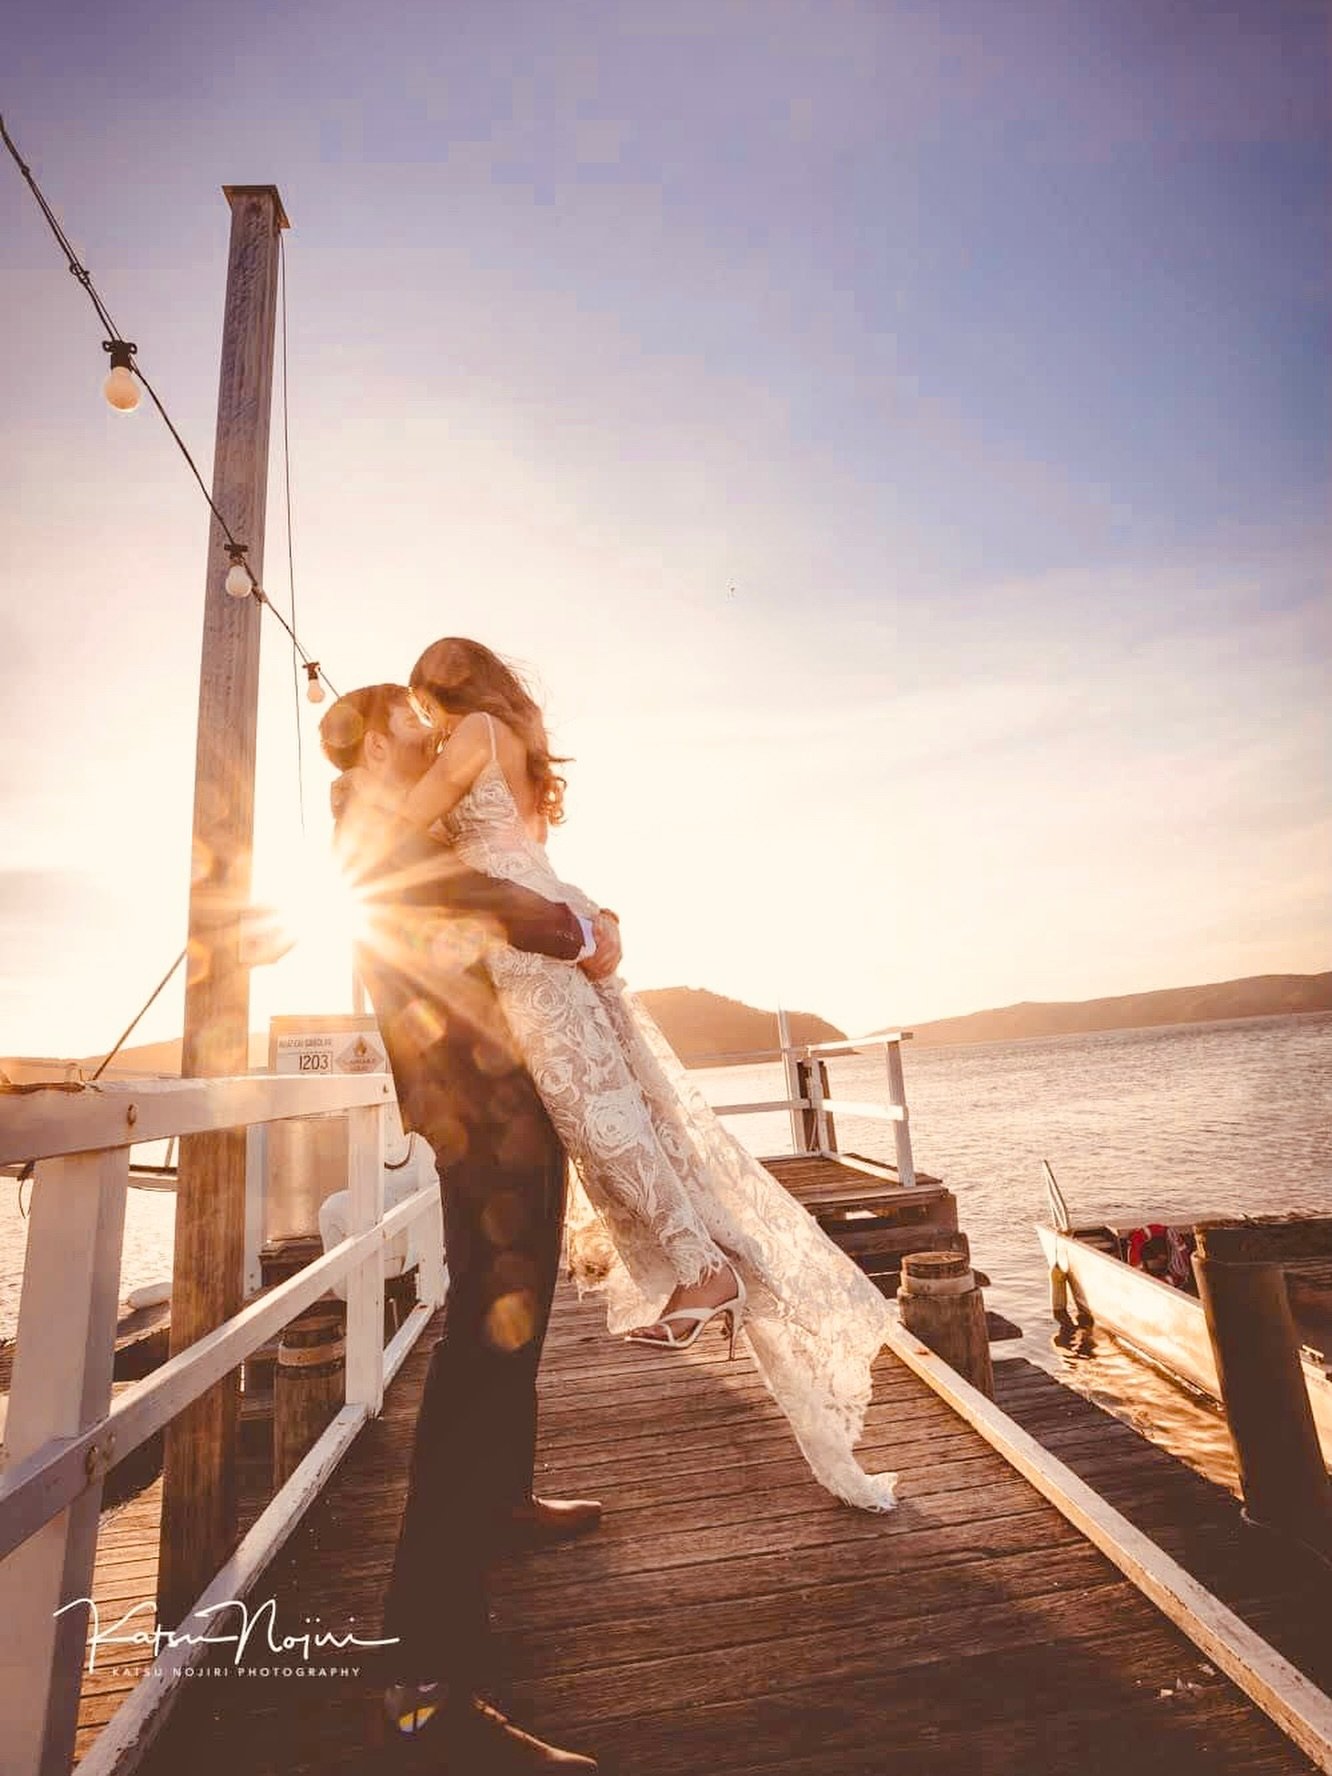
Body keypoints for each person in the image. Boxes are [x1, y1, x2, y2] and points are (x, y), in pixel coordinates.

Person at [389, 636, 900, 1513]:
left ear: (444, 690)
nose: (428, 723)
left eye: (424, 704)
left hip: (533, 957)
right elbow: (526, 857)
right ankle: (704, 1265)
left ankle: (702, 1270)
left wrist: (387, 787)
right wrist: (594, 919)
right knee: (616, 1119)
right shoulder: (518, 741)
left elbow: (404, 834)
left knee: (606, 1125)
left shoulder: (469, 730)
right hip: (550, 935)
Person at [320, 682, 618, 1773]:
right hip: (479, 1117)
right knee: (479, 1359)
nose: (428, 722)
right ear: (375, 740)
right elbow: (478, 897)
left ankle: (503, 1501)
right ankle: (421, 1684)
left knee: (512, 1331)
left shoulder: (404, 815)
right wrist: (573, 923)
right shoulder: (373, 820)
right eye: (408, 713)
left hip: (503, 1106)